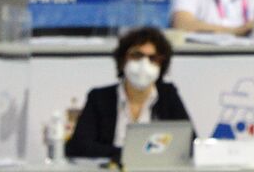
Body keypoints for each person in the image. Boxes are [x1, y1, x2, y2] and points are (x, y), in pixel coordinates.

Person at [66, 26, 194, 161]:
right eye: (136, 56)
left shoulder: (168, 96)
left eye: (153, 58)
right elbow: (78, 146)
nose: (144, 64)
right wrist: (128, 153)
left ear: (161, 65)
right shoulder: (100, 98)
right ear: (122, 61)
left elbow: (190, 142)